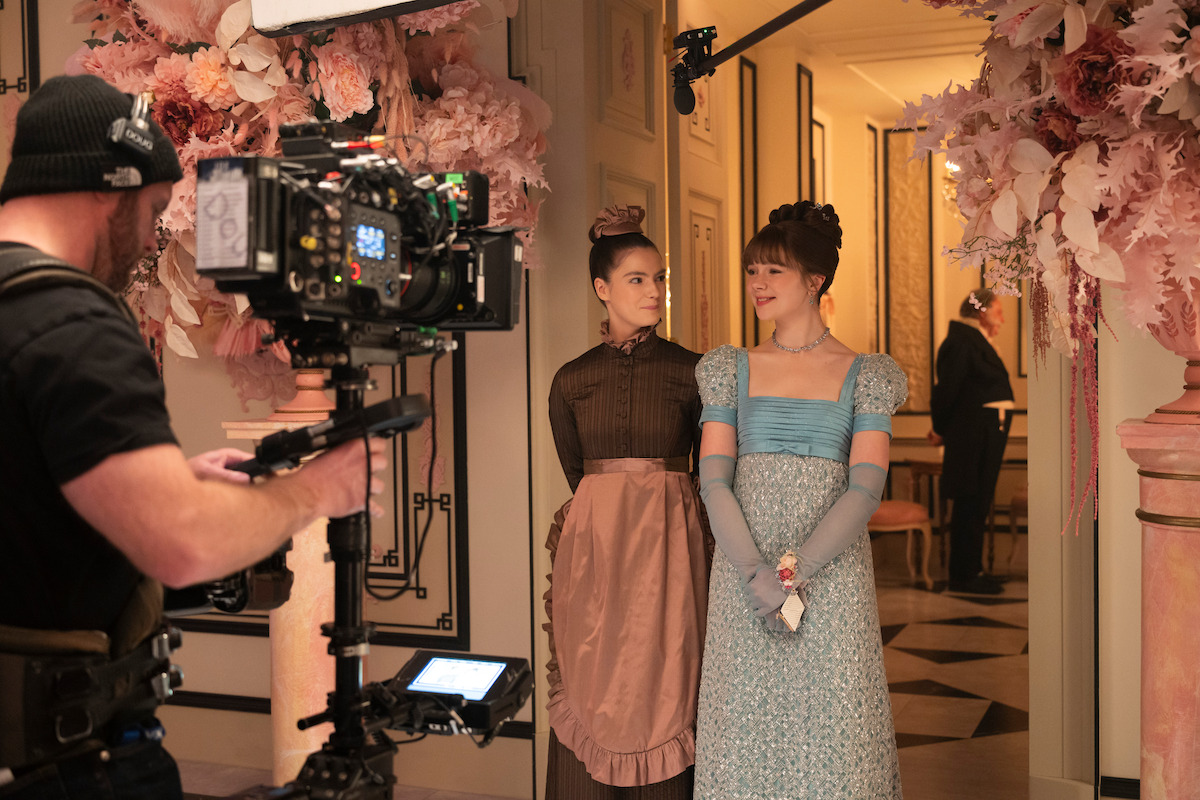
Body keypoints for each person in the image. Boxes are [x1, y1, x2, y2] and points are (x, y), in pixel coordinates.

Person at [0, 75, 387, 799]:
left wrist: (168, 481)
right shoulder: (74, 324)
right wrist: (319, 487)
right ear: (107, 190)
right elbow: (186, 548)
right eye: (149, 212)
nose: (151, 239)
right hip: (77, 764)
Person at [693, 201, 906, 798]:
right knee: (742, 733)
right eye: (752, 271)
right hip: (743, 577)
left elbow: (865, 488)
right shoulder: (729, 368)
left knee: (836, 735)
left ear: (815, 280)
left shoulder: (867, 374)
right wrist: (756, 573)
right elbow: (714, 481)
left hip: (831, 581)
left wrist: (794, 572)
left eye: (774, 271)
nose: (757, 284)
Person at [543, 205, 711, 799]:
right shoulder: (570, 380)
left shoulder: (695, 372)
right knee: (592, 676)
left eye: (659, 278)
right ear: (601, 288)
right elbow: (575, 473)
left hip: (671, 552)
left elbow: (713, 474)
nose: (655, 290)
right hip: (594, 555)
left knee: (669, 678)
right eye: (638, 279)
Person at [928, 288, 1014, 595]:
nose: (1002, 318)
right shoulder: (961, 341)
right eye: (998, 311)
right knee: (969, 499)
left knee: (979, 501)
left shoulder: (974, 340)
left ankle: (974, 569)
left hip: (986, 430)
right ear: (981, 312)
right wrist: (940, 428)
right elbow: (946, 390)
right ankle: (963, 575)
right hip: (972, 431)